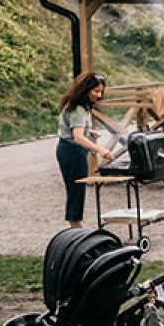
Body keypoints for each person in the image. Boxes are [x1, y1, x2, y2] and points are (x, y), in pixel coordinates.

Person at [56, 72, 114, 227]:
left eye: (101, 91)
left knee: (77, 189)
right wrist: (101, 150)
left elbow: (76, 130)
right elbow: (78, 137)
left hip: (70, 149)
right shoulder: (78, 109)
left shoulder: (79, 106)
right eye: (95, 91)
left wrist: (90, 132)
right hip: (72, 151)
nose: (99, 95)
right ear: (85, 89)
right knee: (76, 190)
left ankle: (75, 223)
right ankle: (76, 225)